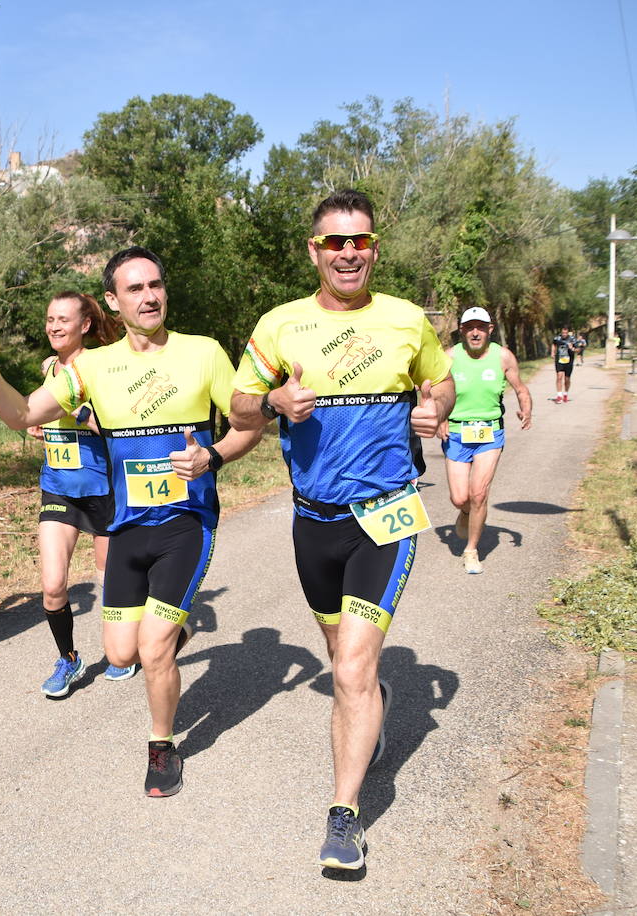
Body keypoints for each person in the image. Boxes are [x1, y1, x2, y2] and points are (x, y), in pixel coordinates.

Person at [0, 246, 262, 798]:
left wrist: (214, 456)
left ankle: (162, 747)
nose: (149, 296)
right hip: (125, 528)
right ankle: (174, 632)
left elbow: (249, 424)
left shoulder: (204, 353)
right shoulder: (93, 367)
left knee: (150, 649)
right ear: (113, 300)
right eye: (134, 289)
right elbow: (22, 414)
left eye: (156, 285)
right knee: (121, 652)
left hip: (185, 523)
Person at [228, 189, 454, 870]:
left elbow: (439, 385)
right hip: (313, 522)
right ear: (314, 251)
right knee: (343, 661)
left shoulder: (408, 320)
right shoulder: (279, 325)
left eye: (359, 241)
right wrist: (271, 400)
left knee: (351, 668)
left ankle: (343, 817)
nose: (348, 252)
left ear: (375, 248)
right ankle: (376, 704)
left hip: (385, 517)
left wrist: (432, 410)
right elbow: (239, 410)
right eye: (335, 242)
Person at [25, 290, 135, 697]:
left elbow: (115, 427)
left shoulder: (101, 367)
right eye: (50, 319)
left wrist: (77, 411)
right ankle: (68, 659)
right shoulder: (49, 366)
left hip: (103, 490)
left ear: (84, 325)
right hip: (58, 488)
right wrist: (40, 426)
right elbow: (44, 418)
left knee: (110, 585)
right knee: (53, 585)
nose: (54, 326)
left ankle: (128, 646)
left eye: (63, 320)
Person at [443, 306, 533, 575]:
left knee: (478, 493)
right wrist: (440, 418)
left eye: (480, 327)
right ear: (461, 331)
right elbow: (434, 389)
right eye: (469, 327)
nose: (474, 332)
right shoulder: (448, 357)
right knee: (460, 498)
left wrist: (526, 407)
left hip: (489, 432)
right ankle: (466, 513)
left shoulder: (503, 356)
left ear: (489, 330)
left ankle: (471, 550)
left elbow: (520, 388)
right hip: (457, 432)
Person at [551, 325, 578, 402]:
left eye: (565, 333)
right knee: (559, 377)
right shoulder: (557, 338)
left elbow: (578, 349)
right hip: (559, 361)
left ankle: (565, 394)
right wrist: (552, 352)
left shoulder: (572, 339)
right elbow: (553, 344)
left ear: (568, 333)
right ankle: (559, 395)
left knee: (567, 379)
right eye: (563, 333)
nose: (564, 334)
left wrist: (572, 348)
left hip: (569, 361)